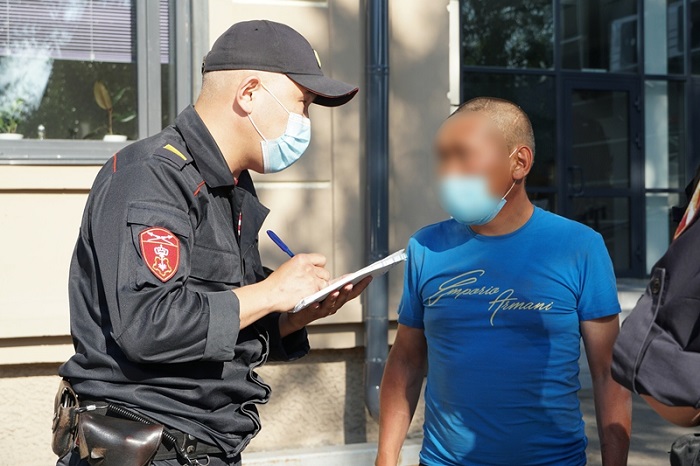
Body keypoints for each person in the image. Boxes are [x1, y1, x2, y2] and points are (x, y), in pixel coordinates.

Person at [55, 20, 370, 466]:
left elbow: (217, 324)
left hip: (202, 446)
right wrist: (271, 291)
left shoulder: (230, 188)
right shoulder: (152, 175)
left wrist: (290, 317)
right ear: (250, 93)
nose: (305, 122)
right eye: (303, 103)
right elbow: (148, 325)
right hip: (146, 447)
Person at [375, 98, 632, 466]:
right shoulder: (426, 247)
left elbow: (608, 373)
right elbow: (406, 361)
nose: (448, 172)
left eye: (463, 155)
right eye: (442, 157)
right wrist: (386, 458)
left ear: (520, 162)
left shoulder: (579, 247)